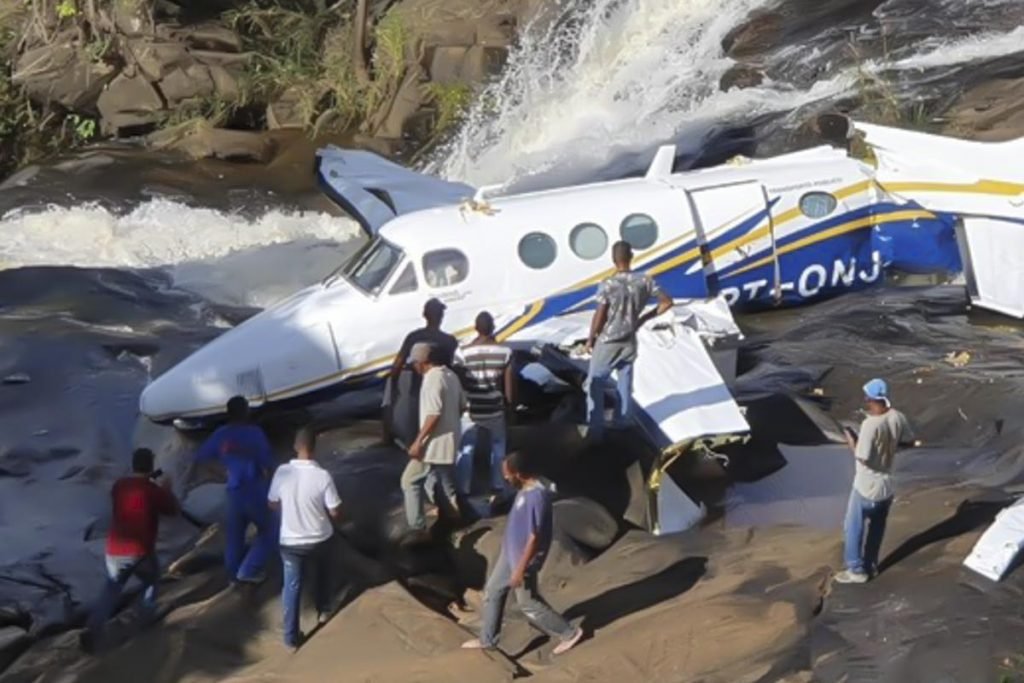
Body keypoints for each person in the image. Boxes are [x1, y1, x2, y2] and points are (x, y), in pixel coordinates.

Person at [461, 451, 583, 655]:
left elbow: (533, 537)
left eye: (507, 474)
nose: (506, 478)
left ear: (519, 473)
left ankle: (569, 633)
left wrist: (520, 569)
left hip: (521, 560)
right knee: (492, 591)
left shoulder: (537, 496)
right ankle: (488, 640)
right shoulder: (524, 490)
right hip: (509, 554)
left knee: (527, 603)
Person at [83, 448, 178, 650]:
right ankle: (146, 616)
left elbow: (132, 496)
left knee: (111, 590)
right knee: (151, 580)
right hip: (140, 551)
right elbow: (172, 510)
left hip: (114, 550)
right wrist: (166, 488)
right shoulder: (152, 491)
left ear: (133, 464)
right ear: (151, 466)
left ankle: (93, 628)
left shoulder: (119, 486)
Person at [584, 240, 672, 440]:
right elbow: (667, 302)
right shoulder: (645, 280)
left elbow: (600, 314)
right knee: (624, 380)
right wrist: (643, 319)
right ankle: (623, 422)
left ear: (614, 260)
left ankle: (595, 429)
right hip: (630, 338)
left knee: (594, 383)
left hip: (609, 339)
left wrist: (590, 339)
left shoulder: (608, 284)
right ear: (631, 257)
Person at [834, 378, 915, 584]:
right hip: (887, 487)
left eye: (867, 397)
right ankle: (871, 565)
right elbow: (909, 442)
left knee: (853, 527)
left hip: (865, 486)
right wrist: (888, 448)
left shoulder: (870, 424)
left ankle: (856, 570)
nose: (866, 401)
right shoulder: (898, 417)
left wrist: (852, 440)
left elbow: (862, 457)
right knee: (877, 527)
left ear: (871, 399)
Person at [268, 427, 342, 651]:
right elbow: (335, 511)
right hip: (320, 538)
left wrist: (288, 507)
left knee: (292, 586)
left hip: (290, 542)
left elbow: (271, 503)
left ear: (295, 447)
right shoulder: (322, 476)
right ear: (314, 448)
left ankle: (290, 640)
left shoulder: (282, 472)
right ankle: (325, 610)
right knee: (323, 572)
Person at [194, 396, 277, 584]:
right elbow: (268, 465)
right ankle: (249, 569)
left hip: (233, 491)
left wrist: (222, 473)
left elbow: (201, 459)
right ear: (245, 411)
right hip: (254, 489)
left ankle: (233, 577)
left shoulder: (221, 434)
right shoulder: (254, 433)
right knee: (271, 529)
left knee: (234, 536)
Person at [401, 342, 465, 534]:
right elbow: (462, 405)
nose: (414, 367)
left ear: (423, 362)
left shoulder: (432, 379)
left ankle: (417, 528)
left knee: (409, 480)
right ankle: (454, 516)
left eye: (414, 363)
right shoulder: (450, 375)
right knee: (444, 483)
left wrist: (418, 441)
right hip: (451, 440)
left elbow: (433, 414)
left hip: (433, 444)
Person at [454, 311, 514, 503]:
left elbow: (460, 382)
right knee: (497, 448)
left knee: (466, 449)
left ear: (476, 328)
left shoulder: (462, 352)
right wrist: (510, 408)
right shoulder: (505, 352)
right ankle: (497, 485)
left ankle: (462, 488)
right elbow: (509, 385)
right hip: (494, 408)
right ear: (493, 328)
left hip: (471, 409)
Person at [383, 298, 459, 443]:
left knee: (416, 423)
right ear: (441, 317)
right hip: (440, 387)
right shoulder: (449, 341)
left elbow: (398, 363)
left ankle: (403, 442)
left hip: (417, 388)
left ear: (424, 314)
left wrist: (393, 383)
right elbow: (451, 366)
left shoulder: (414, 337)